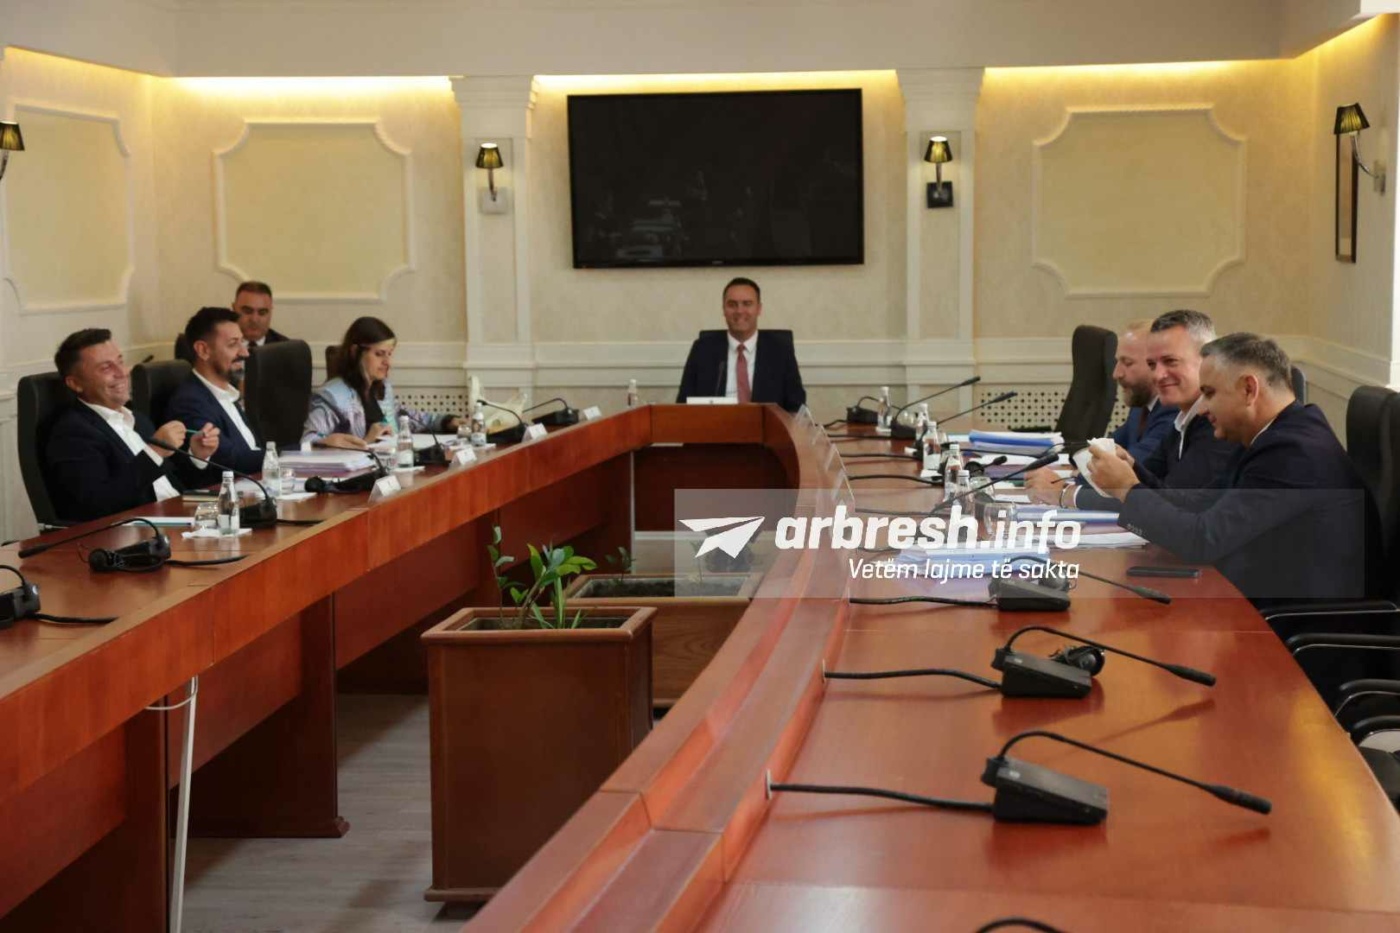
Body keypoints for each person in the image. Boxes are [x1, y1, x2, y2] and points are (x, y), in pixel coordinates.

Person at [1090, 334, 1378, 608]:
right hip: (1260, 598)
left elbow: (1202, 541)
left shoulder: (1293, 452)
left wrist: (1126, 489)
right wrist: (1134, 474)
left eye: (1209, 393)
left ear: (1249, 389)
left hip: (1294, 623)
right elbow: (1201, 503)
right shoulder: (1271, 433)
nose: (1202, 409)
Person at [1027, 309, 1236, 512]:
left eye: (1171, 361)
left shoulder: (1219, 426)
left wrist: (1064, 494)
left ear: (1207, 361)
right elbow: (1156, 488)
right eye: (1152, 364)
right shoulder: (1183, 419)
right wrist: (1130, 466)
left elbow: (1172, 506)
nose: (1158, 375)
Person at [45, 329, 220, 523]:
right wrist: (155, 451)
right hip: (143, 528)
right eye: (106, 368)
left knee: (236, 508)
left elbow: (173, 483)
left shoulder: (138, 419)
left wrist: (197, 456)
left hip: (179, 512)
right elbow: (97, 505)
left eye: (120, 362)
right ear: (75, 383)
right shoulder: (73, 433)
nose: (122, 373)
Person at [302, 316, 460, 448]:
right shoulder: (333, 397)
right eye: (379, 354)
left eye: (389, 354)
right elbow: (307, 442)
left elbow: (406, 418)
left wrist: (448, 422)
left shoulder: (382, 389)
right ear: (355, 352)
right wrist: (366, 441)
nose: (387, 362)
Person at [676, 277, 806, 412]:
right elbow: (683, 405)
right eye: (732, 304)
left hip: (765, 425)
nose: (739, 311)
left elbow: (797, 408)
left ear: (759, 309)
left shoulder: (780, 351)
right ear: (723, 309)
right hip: (715, 424)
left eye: (747, 304)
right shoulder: (703, 350)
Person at [164, 307, 265, 479]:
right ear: (203, 350)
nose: (245, 352)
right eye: (233, 344)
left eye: (242, 342)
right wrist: (294, 456)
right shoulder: (189, 402)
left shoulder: (228, 394)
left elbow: (252, 449)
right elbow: (230, 460)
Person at [234, 281, 287, 347]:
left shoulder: (286, 348)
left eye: (262, 313)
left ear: (270, 312)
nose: (254, 319)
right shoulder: (221, 344)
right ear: (234, 309)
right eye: (247, 311)